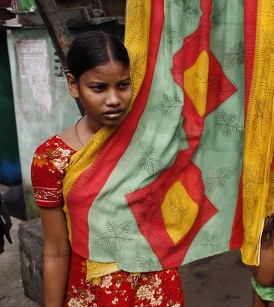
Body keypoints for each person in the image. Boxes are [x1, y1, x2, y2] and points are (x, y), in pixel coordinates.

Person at [31, 31, 184, 306]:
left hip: (155, 287)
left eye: (123, 85)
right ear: (73, 85)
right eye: (99, 88)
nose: (114, 99)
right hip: (94, 293)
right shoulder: (53, 158)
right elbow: (55, 250)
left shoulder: (151, 142)